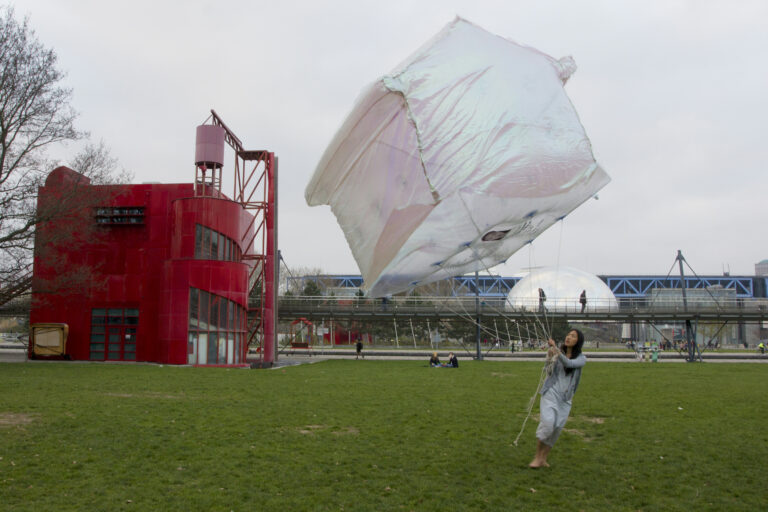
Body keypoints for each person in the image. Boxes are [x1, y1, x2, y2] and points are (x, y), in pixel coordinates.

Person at [529, 329, 586, 468]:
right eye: (568, 334)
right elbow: (547, 371)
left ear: (578, 341)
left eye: (573, 336)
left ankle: (543, 458)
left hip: (565, 399)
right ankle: (537, 457)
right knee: (548, 424)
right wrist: (549, 357)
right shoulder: (557, 353)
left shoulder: (581, 358)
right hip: (551, 394)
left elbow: (570, 364)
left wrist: (556, 350)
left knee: (556, 428)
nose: (569, 337)